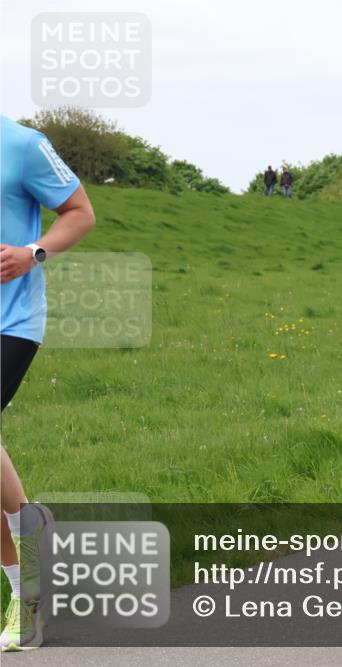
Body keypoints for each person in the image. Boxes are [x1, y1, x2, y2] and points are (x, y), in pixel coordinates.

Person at [0, 115, 96, 651]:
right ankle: (27, 583)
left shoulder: (23, 145)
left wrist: (32, 253)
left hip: (10, 322)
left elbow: (81, 213)